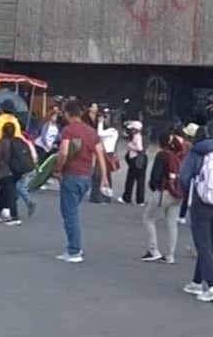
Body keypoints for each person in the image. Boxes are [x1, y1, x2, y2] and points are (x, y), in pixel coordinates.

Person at [178, 122, 213, 303]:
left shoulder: (196, 153)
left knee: (203, 245)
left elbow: (185, 177)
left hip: (201, 201)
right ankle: (196, 282)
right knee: (210, 244)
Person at [55, 99, 108, 263]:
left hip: (71, 174)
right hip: (86, 176)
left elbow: (63, 153)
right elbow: (100, 155)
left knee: (69, 214)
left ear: (67, 113)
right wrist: (104, 177)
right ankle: (75, 247)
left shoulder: (68, 130)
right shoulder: (91, 132)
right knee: (74, 211)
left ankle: (74, 250)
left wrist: (57, 169)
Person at [141, 132, 184, 264]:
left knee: (148, 219)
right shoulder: (177, 157)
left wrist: (154, 188)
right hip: (177, 193)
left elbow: (155, 176)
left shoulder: (162, 155)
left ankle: (153, 250)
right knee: (172, 223)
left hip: (163, 192)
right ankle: (170, 255)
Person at [0, 122, 24, 226]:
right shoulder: (17, 141)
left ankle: (15, 216)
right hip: (17, 170)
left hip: (5, 171)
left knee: (9, 193)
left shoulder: (2, 142)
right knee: (5, 192)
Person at [92, 110, 120, 203]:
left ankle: (105, 196)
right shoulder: (107, 130)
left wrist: (100, 122)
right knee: (99, 175)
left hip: (107, 153)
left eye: (106, 117)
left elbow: (100, 133)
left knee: (103, 175)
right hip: (103, 152)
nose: (104, 119)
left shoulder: (113, 130)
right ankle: (97, 196)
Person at [121, 120, 147, 205]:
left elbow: (139, 149)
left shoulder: (137, 137)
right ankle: (140, 200)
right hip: (141, 159)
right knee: (140, 180)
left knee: (130, 179)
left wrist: (130, 146)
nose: (131, 131)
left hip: (135, 159)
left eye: (132, 129)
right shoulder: (142, 136)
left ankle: (127, 198)